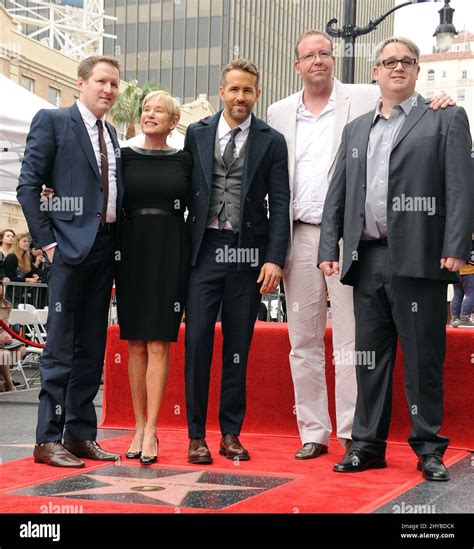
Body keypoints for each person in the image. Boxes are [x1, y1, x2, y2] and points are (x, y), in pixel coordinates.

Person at [267, 30, 456, 460]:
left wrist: (440, 97)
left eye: (325, 53)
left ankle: (372, 436)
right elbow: (311, 186)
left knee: (364, 344)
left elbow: (458, 182)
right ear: (296, 65)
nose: (317, 60)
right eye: (308, 55)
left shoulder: (392, 105)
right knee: (313, 342)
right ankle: (325, 434)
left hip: (384, 247)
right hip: (317, 242)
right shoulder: (285, 114)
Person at [318, 37, 473, 481]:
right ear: (376, 72)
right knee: (369, 357)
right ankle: (367, 445)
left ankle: (429, 449)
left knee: (424, 359)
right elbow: (339, 193)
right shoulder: (357, 128)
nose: (398, 68)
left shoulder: (445, 118)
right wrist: (330, 247)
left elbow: (462, 187)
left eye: (407, 61)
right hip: (367, 259)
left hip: (422, 260)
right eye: (389, 62)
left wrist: (455, 247)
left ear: (418, 70)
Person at [17, 55, 123, 468]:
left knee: (91, 348)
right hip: (67, 251)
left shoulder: (111, 133)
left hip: (104, 251)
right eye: (101, 81)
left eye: (114, 84)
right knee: (60, 346)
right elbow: (28, 187)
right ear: (80, 82)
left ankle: (80, 435)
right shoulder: (53, 121)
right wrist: (47, 245)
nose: (109, 90)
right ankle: (47, 439)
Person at [184, 58, 290, 464]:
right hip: (204, 249)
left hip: (247, 252)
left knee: (237, 346)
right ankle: (196, 436)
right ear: (221, 91)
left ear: (256, 94)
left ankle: (230, 432)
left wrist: (275, 258)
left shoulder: (272, 140)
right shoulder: (196, 133)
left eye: (248, 90)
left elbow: (280, 203)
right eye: (234, 89)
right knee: (196, 343)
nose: (240, 96)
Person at [116, 90, 192, 464]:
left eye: (158, 111)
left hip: (171, 252)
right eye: (146, 109)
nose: (149, 115)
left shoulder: (185, 160)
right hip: (131, 252)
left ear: (173, 120)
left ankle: (152, 430)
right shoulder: (123, 156)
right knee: (134, 344)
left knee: (160, 343)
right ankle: (136, 424)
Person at [0, 281, 26, 391]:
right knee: (4, 355)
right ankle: (10, 383)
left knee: (23, 350)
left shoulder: (5, 305)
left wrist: (8, 337)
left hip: (3, 340)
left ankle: (2, 374)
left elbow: (5, 327)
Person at [450, 236, 474, 327]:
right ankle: (465, 318)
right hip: (470, 270)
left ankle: (455, 318)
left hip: (457, 268)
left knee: (458, 294)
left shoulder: (459, 235)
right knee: (472, 294)